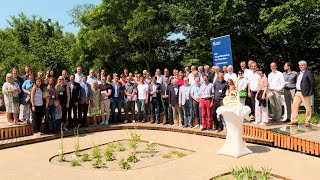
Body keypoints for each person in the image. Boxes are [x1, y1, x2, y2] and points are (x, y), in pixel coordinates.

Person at [288, 60, 315, 127]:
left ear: (305, 66)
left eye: (302, 65)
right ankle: (294, 120)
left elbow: (313, 83)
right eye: (300, 65)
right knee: (294, 106)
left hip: (305, 93)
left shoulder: (308, 72)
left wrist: (311, 92)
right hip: (298, 92)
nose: (301, 66)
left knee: (307, 107)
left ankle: (307, 121)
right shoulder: (298, 73)